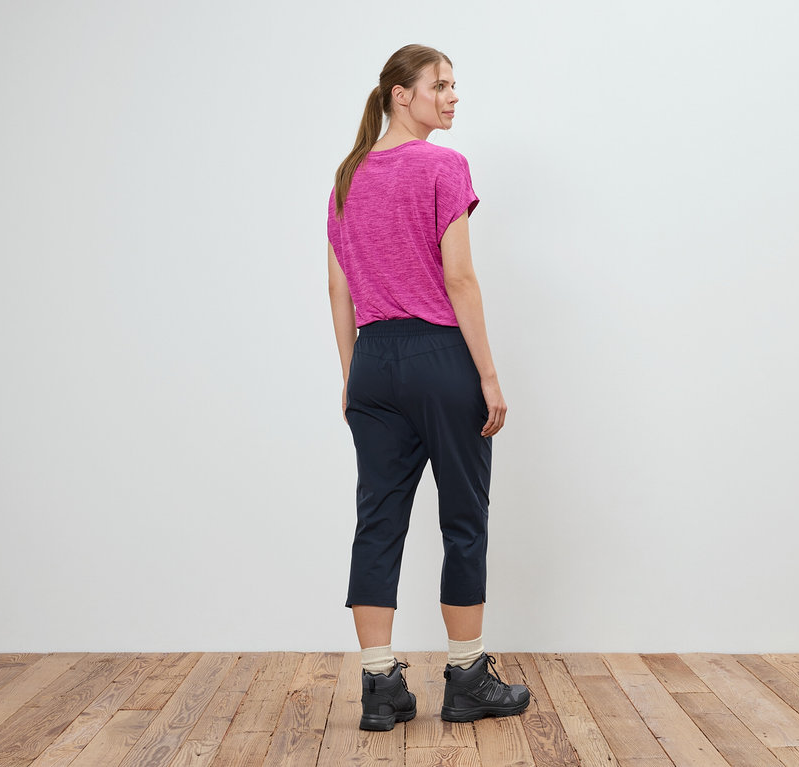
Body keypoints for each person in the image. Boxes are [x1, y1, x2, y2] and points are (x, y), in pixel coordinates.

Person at [327, 43, 530, 731]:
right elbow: (459, 278)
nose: (451, 96)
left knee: (377, 519)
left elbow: (339, 289)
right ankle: (467, 678)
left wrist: (351, 375)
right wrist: (489, 375)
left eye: (453, 86)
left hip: (374, 360)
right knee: (463, 517)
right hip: (440, 356)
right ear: (400, 94)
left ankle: (379, 685)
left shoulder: (348, 176)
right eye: (439, 85)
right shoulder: (444, 166)